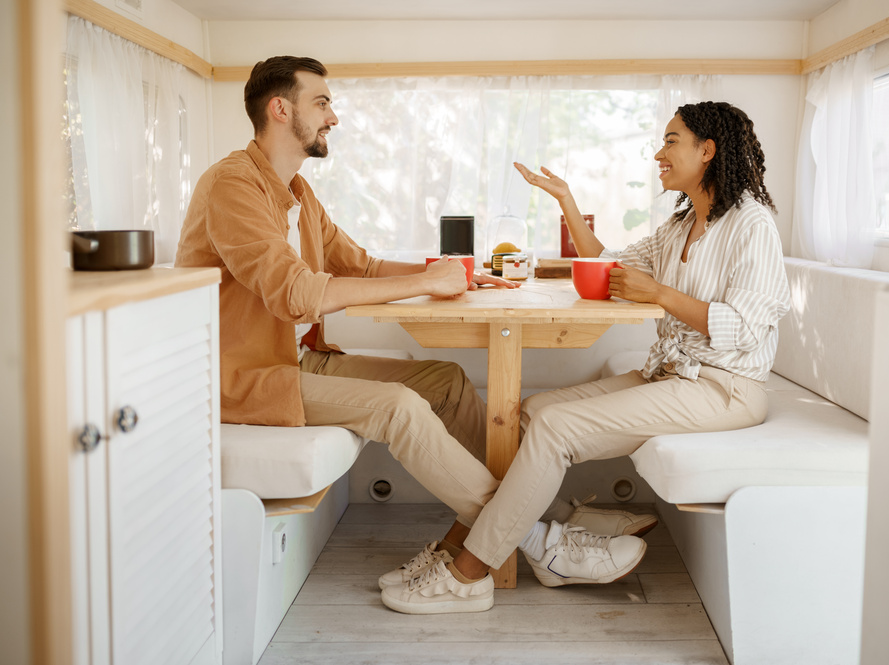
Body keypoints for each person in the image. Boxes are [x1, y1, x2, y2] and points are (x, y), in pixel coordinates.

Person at [175, 56, 653, 603]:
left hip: (298, 358)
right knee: (397, 405)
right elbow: (296, 293)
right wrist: (428, 280)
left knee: (446, 382)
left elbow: (363, 266)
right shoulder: (232, 186)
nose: (334, 117)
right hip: (245, 377)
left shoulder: (299, 195)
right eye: (323, 102)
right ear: (280, 109)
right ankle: (543, 542)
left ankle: (556, 513)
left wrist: (463, 278)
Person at [379, 101, 791, 615]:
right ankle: (519, 541)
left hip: (723, 388)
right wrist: (566, 200)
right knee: (530, 414)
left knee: (555, 430)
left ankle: (467, 572)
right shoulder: (680, 225)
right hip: (669, 375)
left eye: (671, 141)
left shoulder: (753, 225)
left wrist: (660, 294)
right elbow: (606, 262)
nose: (658, 153)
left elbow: (747, 327)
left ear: (707, 150)